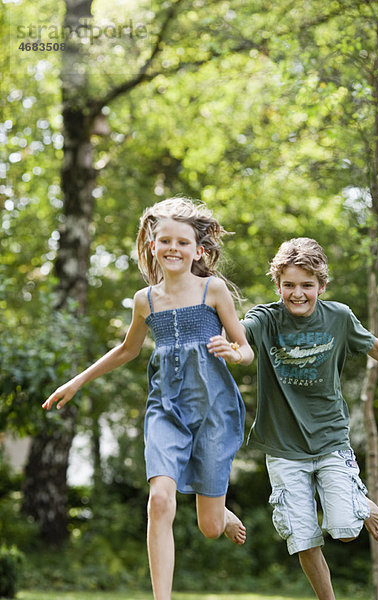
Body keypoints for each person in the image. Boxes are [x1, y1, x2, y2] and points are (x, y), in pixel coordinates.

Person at [42, 197, 253, 600]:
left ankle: (220, 515)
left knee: (208, 527)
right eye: (165, 241)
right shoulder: (146, 300)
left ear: (198, 250)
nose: (174, 248)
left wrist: (234, 353)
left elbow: (246, 348)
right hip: (166, 410)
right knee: (159, 501)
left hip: (213, 410)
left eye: (183, 242)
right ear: (152, 245)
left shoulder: (214, 289)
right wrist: (77, 381)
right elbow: (126, 350)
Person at [241, 237, 378, 600]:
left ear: (321, 286)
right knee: (303, 537)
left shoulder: (339, 318)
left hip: (330, 440)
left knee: (345, 530)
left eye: (307, 285)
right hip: (282, 447)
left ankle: (359, 499)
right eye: (289, 285)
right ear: (278, 284)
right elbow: (240, 335)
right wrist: (230, 348)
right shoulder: (265, 319)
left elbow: (374, 345)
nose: (298, 293)